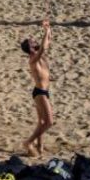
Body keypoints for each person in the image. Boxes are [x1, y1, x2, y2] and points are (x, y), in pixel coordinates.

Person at [21, 19, 53, 157]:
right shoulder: (33, 58)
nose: (34, 41)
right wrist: (45, 31)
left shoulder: (40, 56)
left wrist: (48, 28)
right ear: (31, 48)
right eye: (32, 41)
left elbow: (47, 43)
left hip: (43, 91)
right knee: (49, 122)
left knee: (41, 121)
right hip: (40, 93)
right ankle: (28, 142)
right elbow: (44, 47)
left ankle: (40, 147)